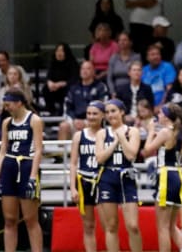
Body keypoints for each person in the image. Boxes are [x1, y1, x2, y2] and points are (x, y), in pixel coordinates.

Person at [142, 105, 182, 252]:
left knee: (162, 226)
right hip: (178, 175)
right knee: (171, 225)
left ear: (167, 117)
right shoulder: (180, 133)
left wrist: (150, 131)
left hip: (166, 176)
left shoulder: (165, 132)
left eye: (161, 113)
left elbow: (147, 150)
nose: (158, 116)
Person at [0, 90, 44, 252]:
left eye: (9, 104)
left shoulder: (34, 120)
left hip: (27, 166)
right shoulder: (7, 122)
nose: (7, 108)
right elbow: (3, 150)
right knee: (9, 219)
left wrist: (33, 177)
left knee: (30, 219)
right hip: (9, 167)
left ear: (19, 102)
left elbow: (39, 150)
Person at [95, 99, 140, 252]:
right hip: (107, 178)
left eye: (113, 111)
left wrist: (121, 138)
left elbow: (131, 155)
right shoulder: (102, 133)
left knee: (133, 225)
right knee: (111, 225)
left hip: (126, 178)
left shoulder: (132, 131)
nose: (110, 115)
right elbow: (100, 158)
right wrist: (114, 143)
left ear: (122, 112)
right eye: (107, 112)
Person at [70, 102, 106, 252]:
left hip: (103, 181)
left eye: (95, 113)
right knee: (88, 225)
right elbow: (73, 163)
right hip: (84, 181)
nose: (91, 117)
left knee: (108, 225)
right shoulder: (79, 135)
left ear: (103, 115)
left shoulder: (108, 134)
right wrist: (72, 188)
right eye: (89, 113)